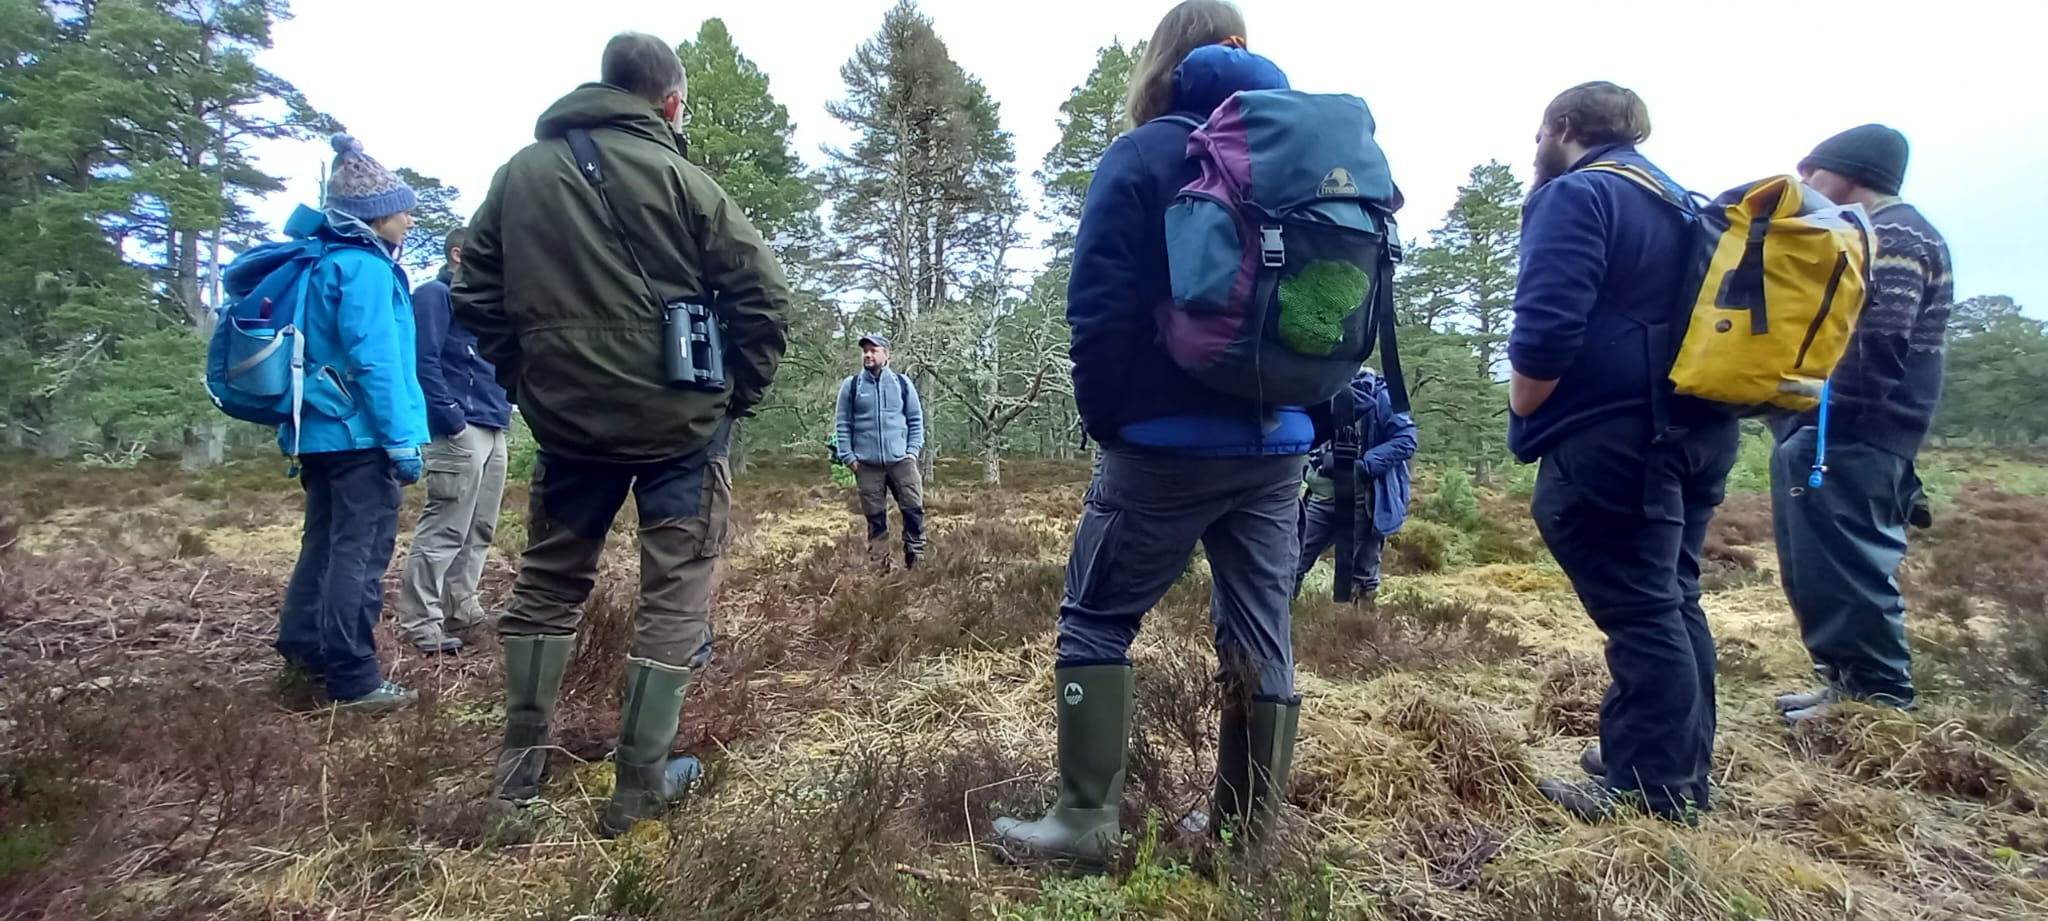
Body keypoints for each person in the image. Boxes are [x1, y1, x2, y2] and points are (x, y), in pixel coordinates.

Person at [453, 32, 793, 837]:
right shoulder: (683, 178)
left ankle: (514, 787)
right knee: (674, 591)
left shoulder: (519, 176)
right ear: (671, 103)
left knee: (547, 582)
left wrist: (528, 380)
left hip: (568, 427)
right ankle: (639, 787)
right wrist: (733, 392)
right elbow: (764, 296)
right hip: (679, 426)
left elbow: (473, 292)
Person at [991, 6, 1307, 868]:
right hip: (1279, 442)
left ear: (1162, 60)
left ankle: (1084, 823)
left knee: (1095, 619)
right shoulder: (1299, 156)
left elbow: (1097, 312)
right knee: (1261, 632)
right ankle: (1242, 839)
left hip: (1162, 444)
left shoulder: (1142, 155)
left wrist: (1110, 423)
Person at [1507, 83, 1737, 824]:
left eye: (1541, 131)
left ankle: (1652, 789)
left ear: (1563, 128)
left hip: (1619, 439)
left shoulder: (1580, 196)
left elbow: (1545, 328)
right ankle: (1674, 761)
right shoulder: (1681, 201)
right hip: (1698, 431)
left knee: (1643, 613)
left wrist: (1526, 406)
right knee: (1672, 599)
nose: (1537, 146)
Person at [1771, 125, 1953, 722]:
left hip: (1858, 432)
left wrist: (1824, 399)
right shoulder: (1872, 230)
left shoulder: (1896, 233)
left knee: (1850, 565)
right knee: (1818, 566)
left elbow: (1881, 341)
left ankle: (1880, 697)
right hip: (1837, 428)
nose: (1805, 186)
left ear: (1849, 174)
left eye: (1812, 174)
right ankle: (1844, 682)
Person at [272, 135, 430, 710]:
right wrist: (400, 441)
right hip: (359, 436)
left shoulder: (319, 263)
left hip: (317, 433)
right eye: (403, 209)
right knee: (358, 555)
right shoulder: (363, 269)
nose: (411, 219)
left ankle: (304, 650)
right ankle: (354, 678)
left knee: (322, 545)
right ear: (374, 214)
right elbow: (376, 362)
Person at [397, 227, 514, 655]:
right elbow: (422, 361)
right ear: (459, 254)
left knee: (480, 526)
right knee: (446, 524)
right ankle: (420, 620)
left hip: (494, 423)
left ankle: (461, 605)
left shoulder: (484, 305)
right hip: (460, 428)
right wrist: (451, 418)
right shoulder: (434, 295)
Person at [1293, 367, 1416, 604]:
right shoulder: (1321, 388)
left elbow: (1406, 440)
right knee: (1292, 562)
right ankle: (1285, 626)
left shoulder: (1381, 395)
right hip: (1322, 496)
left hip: (1365, 500)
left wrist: (1363, 466)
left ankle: (1356, 634)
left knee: (1361, 574)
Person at [833, 334, 927, 570]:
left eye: (874, 350)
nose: (868, 354)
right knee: (876, 520)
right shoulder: (852, 385)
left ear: (886, 354)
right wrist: (849, 458)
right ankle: (880, 569)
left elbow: (915, 420)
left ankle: (916, 562)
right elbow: (842, 424)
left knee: (913, 512)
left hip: (901, 463)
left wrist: (912, 452)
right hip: (866, 465)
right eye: (865, 351)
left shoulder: (903, 384)